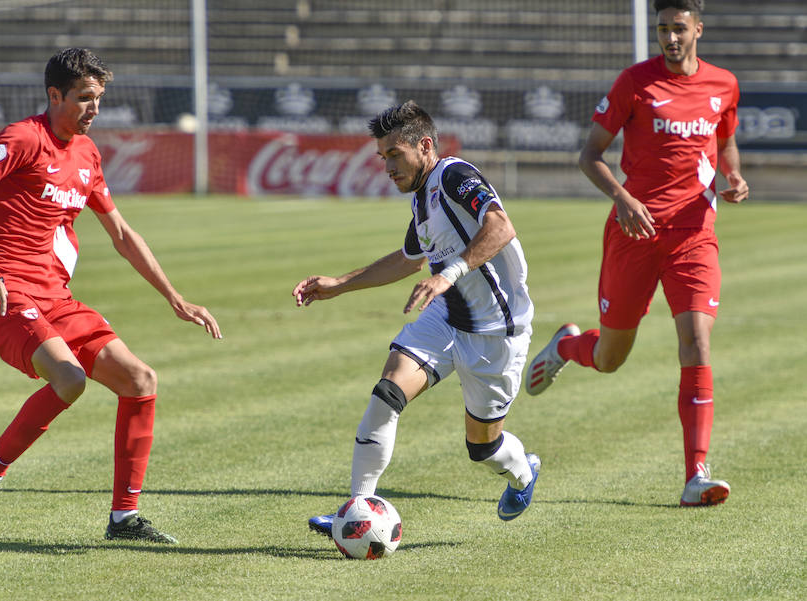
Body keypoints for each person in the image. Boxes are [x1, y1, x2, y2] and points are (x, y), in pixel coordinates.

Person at [0, 48, 222, 543]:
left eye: (99, 99)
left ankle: (124, 520)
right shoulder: (24, 138)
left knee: (139, 379)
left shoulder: (87, 154)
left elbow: (122, 234)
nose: (94, 108)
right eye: (84, 98)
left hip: (54, 297)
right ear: (55, 95)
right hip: (3, 295)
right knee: (70, 379)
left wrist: (175, 297)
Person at [525, 0, 748, 507]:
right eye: (663, 29)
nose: (670, 38)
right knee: (609, 359)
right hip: (634, 234)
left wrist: (733, 177)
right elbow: (589, 155)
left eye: (679, 29)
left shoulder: (723, 85)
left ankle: (697, 474)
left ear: (698, 30)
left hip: (695, 234)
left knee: (696, 342)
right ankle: (566, 346)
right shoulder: (635, 82)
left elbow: (726, 142)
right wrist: (623, 199)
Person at [292, 100, 539, 535]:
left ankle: (524, 471)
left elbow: (501, 227)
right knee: (386, 395)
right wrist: (339, 284)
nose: (387, 166)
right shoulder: (422, 200)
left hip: (496, 333)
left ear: (424, 146)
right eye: (382, 156)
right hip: (446, 318)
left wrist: (449, 275)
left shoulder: (453, 175)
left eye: (394, 154)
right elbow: (407, 261)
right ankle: (356, 509)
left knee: (483, 448)